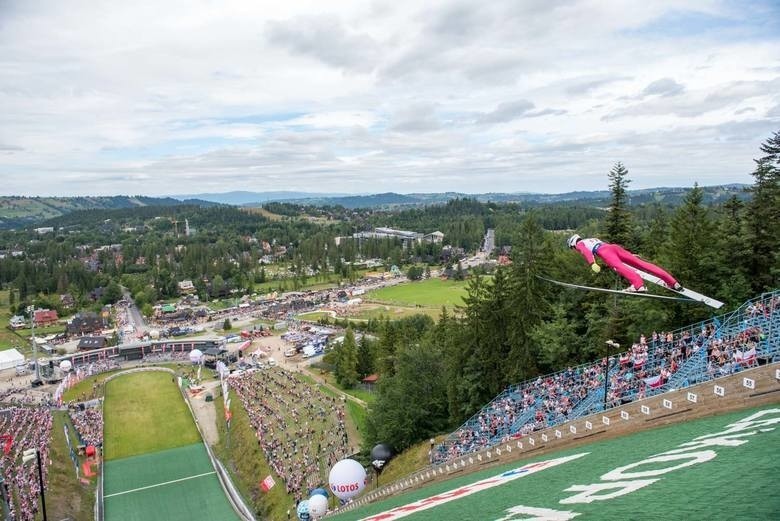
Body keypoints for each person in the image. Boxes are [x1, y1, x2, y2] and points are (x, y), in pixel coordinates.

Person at [567, 234, 682, 293]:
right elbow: (607, 246)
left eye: (573, 248)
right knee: (642, 264)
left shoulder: (579, 244)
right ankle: (672, 282)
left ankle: (638, 285)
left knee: (619, 267)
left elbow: (586, 252)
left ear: (573, 244)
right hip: (613, 247)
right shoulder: (590, 239)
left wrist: (592, 263)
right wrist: (631, 255)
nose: (575, 250)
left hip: (605, 252)